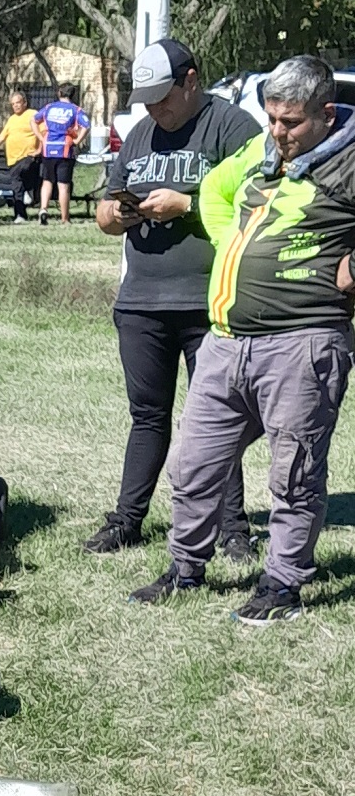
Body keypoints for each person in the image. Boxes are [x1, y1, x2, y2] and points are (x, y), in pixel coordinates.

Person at [132, 55, 355, 624]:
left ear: (327, 114)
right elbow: (213, 187)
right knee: (193, 464)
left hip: (302, 343)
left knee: (294, 473)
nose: (277, 132)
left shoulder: (351, 159)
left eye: (291, 122)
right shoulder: (263, 149)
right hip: (227, 342)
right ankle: (186, 567)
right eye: (272, 118)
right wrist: (233, 240)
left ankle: (282, 585)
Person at [87, 39, 260, 557]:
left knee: (218, 419)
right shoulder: (140, 134)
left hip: (208, 302)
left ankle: (233, 529)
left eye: (162, 97)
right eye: (146, 100)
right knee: (147, 416)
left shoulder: (231, 128)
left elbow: (259, 205)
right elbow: (103, 214)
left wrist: (187, 204)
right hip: (141, 303)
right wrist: (116, 214)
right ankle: (127, 520)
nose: (154, 109)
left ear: (191, 80)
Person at [0, 89, 41, 224]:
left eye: (18, 103)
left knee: (24, 172)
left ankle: (29, 194)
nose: (15, 106)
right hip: (13, 159)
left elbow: (43, 133)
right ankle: (20, 216)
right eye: (13, 104)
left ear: (24, 102)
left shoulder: (33, 115)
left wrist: (39, 150)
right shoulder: (12, 119)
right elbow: (1, 138)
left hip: (28, 156)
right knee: (16, 188)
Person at [34, 82, 89, 224]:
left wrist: (41, 138)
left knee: (47, 181)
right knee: (63, 185)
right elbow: (86, 125)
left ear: (59, 93)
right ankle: (65, 218)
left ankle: (43, 209)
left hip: (48, 148)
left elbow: (33, 120)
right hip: (64, 149)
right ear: (73, 95)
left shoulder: (49, 107)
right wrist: (78, 140)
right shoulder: (75, 110)